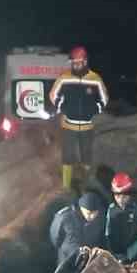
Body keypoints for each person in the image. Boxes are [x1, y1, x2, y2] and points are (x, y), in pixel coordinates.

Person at [49, 46, 109, 189]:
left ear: (85, 62)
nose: (76, 65)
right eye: (74, 63)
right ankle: (66, 187)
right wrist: (62, 108)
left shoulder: (95, 79)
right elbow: (53, 95)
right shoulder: (64, 78)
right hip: (68, 125)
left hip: (87, 125)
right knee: (68, 158)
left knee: (86, 157)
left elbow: (104, 98)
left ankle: (87, 185)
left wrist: (95, 109)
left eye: (79, 62)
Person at [50, 192, 106, 265]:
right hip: (67, 260)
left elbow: (102, 237)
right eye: (88, 213)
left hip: (90, 262)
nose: (92, 216)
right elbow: (55, 237)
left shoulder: (101, 217)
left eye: (94, 213)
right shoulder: (65, 217)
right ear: (81, 208)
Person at [104, 172, 137, 262]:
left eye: (124, 195)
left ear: (130, 193)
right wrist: (111, 252)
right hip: (116, 256)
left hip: (136, 257)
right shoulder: (111, 209)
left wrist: (130, 253)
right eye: (117, 195)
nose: (120, 199)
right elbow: (107, 232)